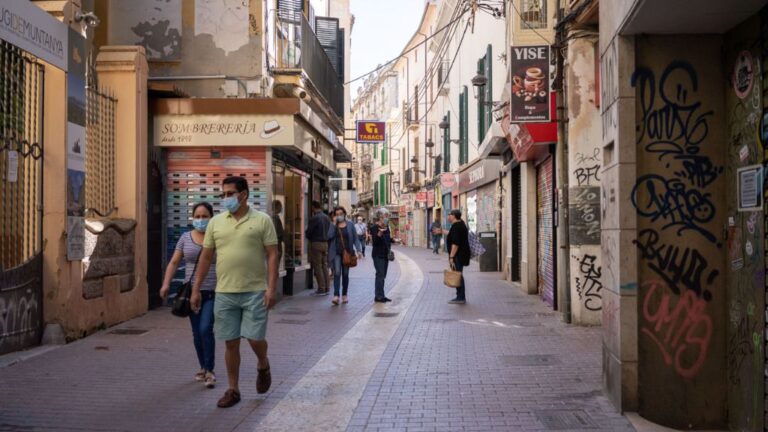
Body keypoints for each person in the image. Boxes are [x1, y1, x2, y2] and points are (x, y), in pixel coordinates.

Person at [191, 176, 279, 408]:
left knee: (254, 337)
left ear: (244, 195)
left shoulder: (262, 220)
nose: (226, 198)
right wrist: (196, 288)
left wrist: (271, 287)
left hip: (255, 291)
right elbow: (206, 257)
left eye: (230, 194)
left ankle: (262, 363)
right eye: (224, 194)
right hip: (225, 292)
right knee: (230, 342)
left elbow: (272, 254)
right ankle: (233, 389)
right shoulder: (216, 223)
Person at [160, 202, 217, 389]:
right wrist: (166, 283)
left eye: (205, 216)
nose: (201, 220)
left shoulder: (217, 237)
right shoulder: (185, 238)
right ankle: (203, 366)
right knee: (196, 333)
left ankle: (210, 370)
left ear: (211, 217)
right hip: (191, 293)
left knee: (205, 329)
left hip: (213, 291)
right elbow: (174, 262)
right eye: (198, 216)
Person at [327, 206, 361, 305]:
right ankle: (336, 295)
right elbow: (329, 236)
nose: (339, 216)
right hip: (336, 253)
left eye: (341, 214)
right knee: (337, 272)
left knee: (345, 274)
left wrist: (359, 250)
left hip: (347, 253)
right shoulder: (333, 225)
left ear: (344, 214)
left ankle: (344, 294)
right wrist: (333, 224)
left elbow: (355, 238)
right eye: (337, 214)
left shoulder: (350, 225)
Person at [306, 201, 332, 296]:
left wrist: (308, 235)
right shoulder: (326, 217)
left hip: (316, 243)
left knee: (317, 266)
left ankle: (321, 288)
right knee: (324, 265)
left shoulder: (314, 218)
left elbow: (309, 232)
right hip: (325, 244)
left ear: (313, 207)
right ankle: (327, 287)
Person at [445, 209, 470, 304]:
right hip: (462, 254)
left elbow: (455, 243)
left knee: (458, 275)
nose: (448, 217)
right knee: (458, 274)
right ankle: (460, 296)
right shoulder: (461, 224)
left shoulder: (456, 226)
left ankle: (460, 297)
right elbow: (453, 236)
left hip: (458, 256)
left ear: (454, 216)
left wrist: (451, 257)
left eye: (449, 215)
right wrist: (443, 231)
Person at [370, 208, 393, 303]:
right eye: (385, 216)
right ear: (380, 217)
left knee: (383, 275)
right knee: (380, 275)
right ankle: (378, 296)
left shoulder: (387, 227)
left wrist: (393, 240)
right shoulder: (374, 228)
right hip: (378, 254)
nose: (387, 218)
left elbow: (387, 239)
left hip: (385, 254)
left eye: (387, 216)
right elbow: (375, 242)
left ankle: (381, 295)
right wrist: (379, 233)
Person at [271, 200, 285, 266]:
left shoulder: (274, 216)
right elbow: (276, 230)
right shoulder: (275, 217)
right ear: (276, 207)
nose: (281, 208)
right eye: (280, 207)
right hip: (276, 241)